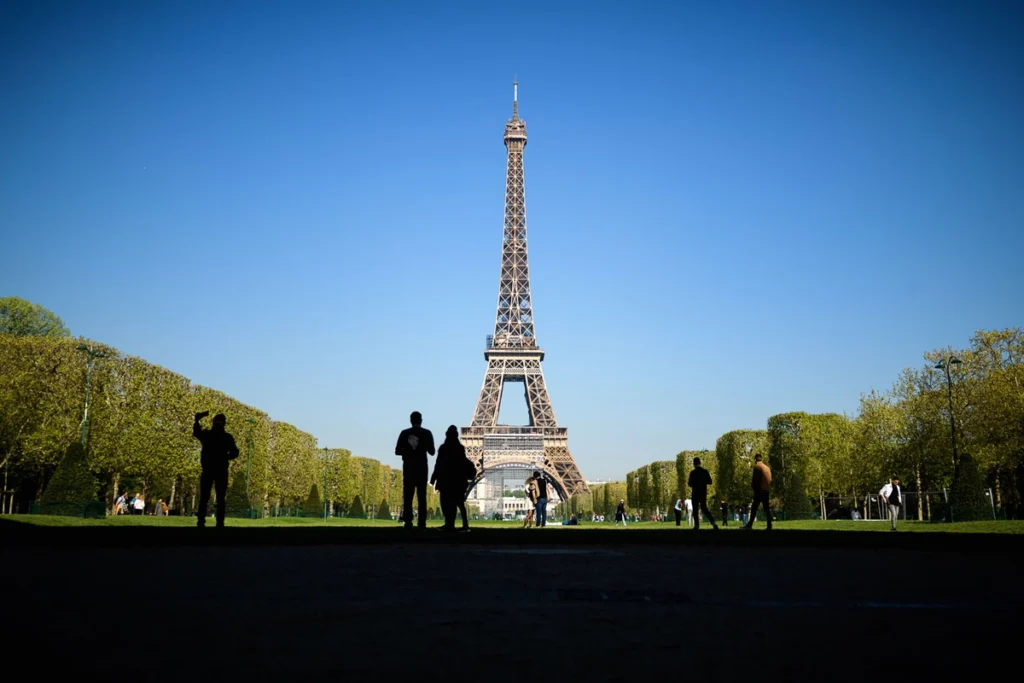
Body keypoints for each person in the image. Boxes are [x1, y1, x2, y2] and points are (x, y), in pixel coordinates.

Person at [193, 411, 240, 528]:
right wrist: (225, 457)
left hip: (208, 468)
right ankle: (220, 523)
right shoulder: (227, 437)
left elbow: (197, 433)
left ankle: (201, 522)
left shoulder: (207, 435)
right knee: (220, 498)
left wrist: (197, 421)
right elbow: (235, 452)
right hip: (221, 469)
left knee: (204, 497)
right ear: (224, 424)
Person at [430, 425, 475, 533]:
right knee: (460, 503)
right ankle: (465, 525)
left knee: (446, 503)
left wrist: (433, 477)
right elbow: (462, 462)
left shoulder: (443, 448)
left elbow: (438, 464)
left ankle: (449, 524)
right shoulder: (460, 448)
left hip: (446, 479)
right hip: (458, 480)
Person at [395, 411, 435, 530]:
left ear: (410, 420)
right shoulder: (427, 433)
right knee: (422, 496)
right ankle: (422, 523)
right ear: (421, 420)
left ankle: (408, 522)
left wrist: (407, 452)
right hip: (422, 468)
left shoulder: (404, 433)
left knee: (408, 496)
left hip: (408, 468)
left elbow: (397, 451)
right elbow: (432, 452)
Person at [743, 453, 773, 531]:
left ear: (755, 460)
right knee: (766, 509)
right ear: (761, 459)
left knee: (754, 508)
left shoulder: (757, 467)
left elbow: (756, 479)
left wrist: (754, 487)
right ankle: (769, 525)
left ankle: (749, 524)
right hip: (766, 490)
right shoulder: (767, 468)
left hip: (759, 490)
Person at [688, 457, 718, 530]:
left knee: (695, 509)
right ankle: (713, 522)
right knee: (704, 508)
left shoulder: (693, 473)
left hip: (695, 493)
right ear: (700, 462)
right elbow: (710, 482)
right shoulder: (705, 471)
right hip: (703, 492)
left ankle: (697, 525)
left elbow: (689, 484)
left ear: (694, 463)